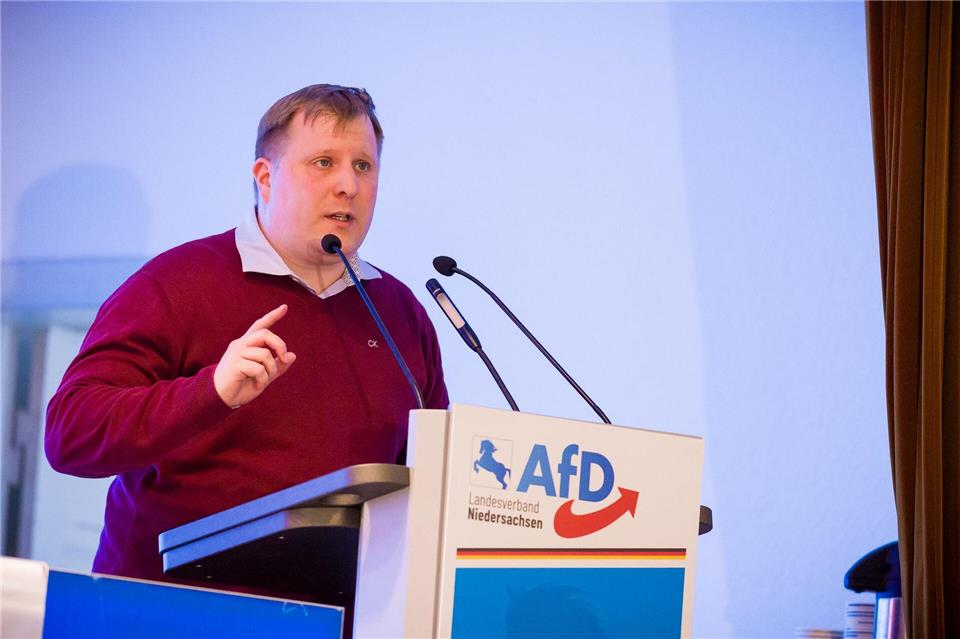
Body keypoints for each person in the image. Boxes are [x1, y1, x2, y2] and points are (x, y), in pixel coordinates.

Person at [45, 84, 449, 586]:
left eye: (363, 166)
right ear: (265, 177)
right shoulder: (176, 284)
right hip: (170, 610)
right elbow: (70, 434)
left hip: (338, 616)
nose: (348, 184)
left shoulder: (399, 314)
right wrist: (210, 391)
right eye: (324, 162)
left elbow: (431, 483)